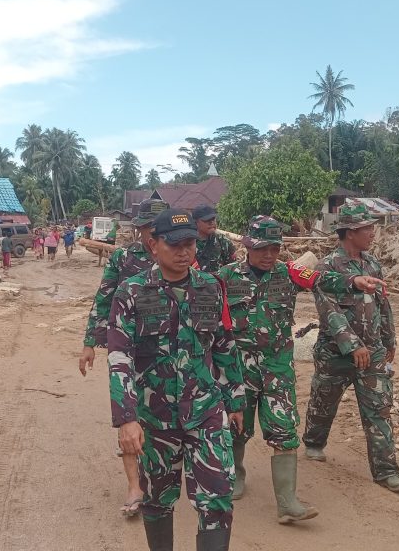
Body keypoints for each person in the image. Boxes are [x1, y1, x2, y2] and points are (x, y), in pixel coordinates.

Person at [217, 215, 387, 524]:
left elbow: (323, 279)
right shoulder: (226, 276)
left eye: (274, 248)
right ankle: (235, 475)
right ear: (248, 247)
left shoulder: (290, 273)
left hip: (277, 368)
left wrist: (353, 281)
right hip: (239, 370)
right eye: (262, 249)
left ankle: (287, 503)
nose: (269, 255)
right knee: (236, 428)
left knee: (284, 431)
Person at [108, 208, 245, 551]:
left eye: (190, 244)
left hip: (205, 411)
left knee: (217, 500)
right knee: (157, 500)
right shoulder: (131, 292)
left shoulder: (211, 287)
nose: (184, 252)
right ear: (154, 245)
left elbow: (224, 345)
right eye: (175, 245)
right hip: (155, 417)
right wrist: (126, 419)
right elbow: (120, 358)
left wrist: (235, 400)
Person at [302, 204, 399, 493]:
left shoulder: (372, 264)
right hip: (335, 353)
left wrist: (389, 340)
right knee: (324, 402)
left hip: (373, 352)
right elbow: (329, 311)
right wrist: (351, 345)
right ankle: (314, 442)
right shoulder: (326, 268)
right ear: (350, 232)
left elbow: (383, 305)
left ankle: (386, 472)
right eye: (367, 228)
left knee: (379, 409)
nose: (373, 232)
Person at [79, 198, 169, 519]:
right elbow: (104, 299)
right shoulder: (123, 258)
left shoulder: (178, 256)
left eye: (158, 228)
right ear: (139, 229)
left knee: (164, 417)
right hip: (129, 351)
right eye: (148, 228)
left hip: (168, 353)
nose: (152, 234)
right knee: (129, 413)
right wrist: (90, 342)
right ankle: (134, 486)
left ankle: (162, 477)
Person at [192, 205, 236, 273]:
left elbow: (233, 268)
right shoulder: (188, 243)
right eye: (207, 220)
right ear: (196, 223)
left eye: (213, 219)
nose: (211, 222)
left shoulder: (223, 241)